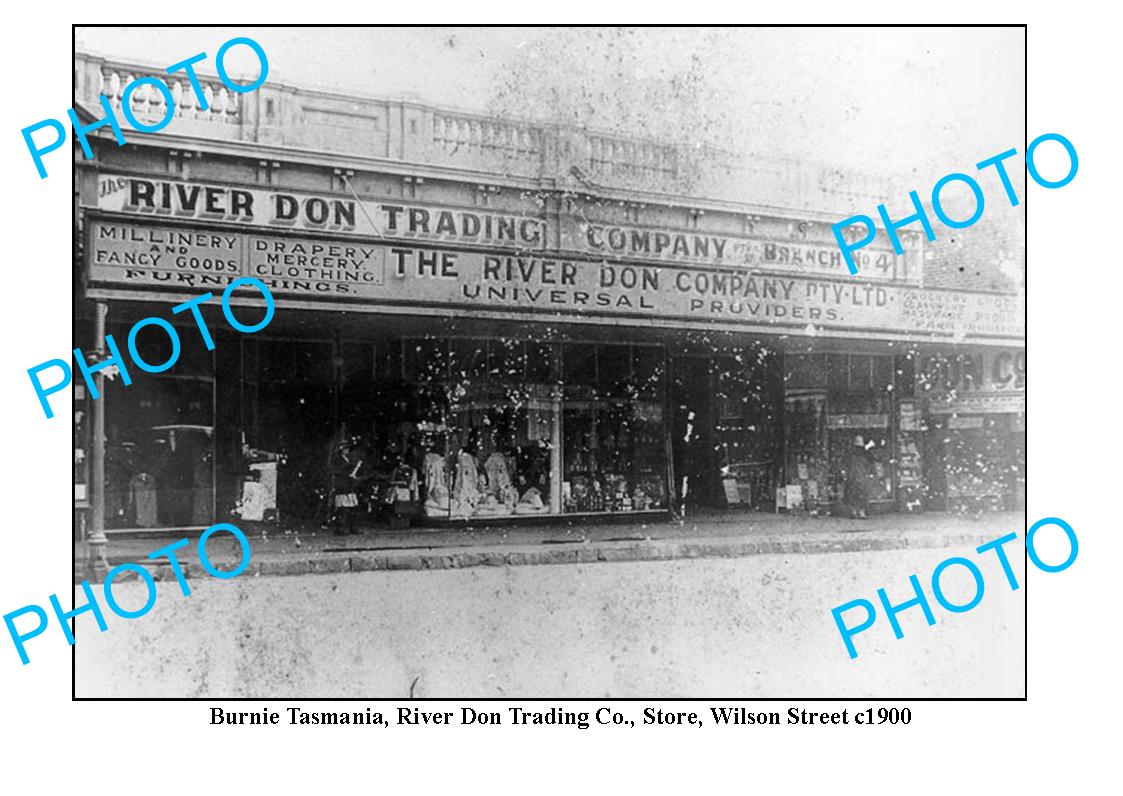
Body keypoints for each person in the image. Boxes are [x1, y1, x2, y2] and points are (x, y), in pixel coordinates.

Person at [845, 435, 874, 519]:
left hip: (854, 476)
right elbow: (870, 465)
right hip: (860, 476)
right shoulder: (865, 454)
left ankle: (855, 511)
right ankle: (860, 511)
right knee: (861, 494)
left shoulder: (851, 454)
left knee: (854, 493)